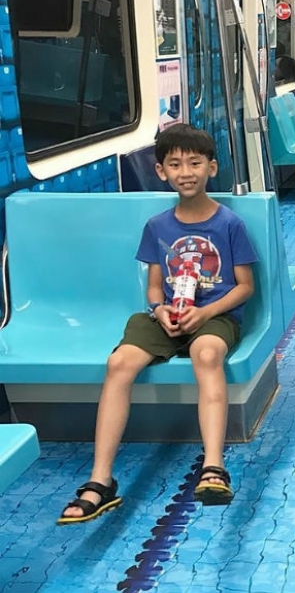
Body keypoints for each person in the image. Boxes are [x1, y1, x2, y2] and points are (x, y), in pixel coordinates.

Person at [57, 124, 258, 524]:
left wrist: (205, 313)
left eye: (195, 163)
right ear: (161, 171)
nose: (186, 171)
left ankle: (213, 466)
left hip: (213, 317)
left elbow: (245, 287)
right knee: (119, 364)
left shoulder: (229, 225)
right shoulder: (157, 227)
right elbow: (153, 287)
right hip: (168, 315)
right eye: (175, 164)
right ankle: (101, 480)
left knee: (206, 353)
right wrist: (159, 310)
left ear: (212, 168)